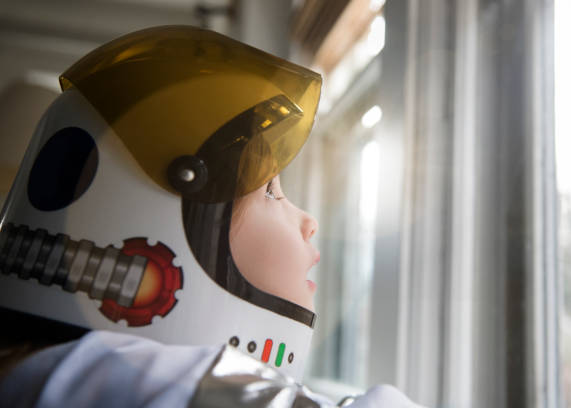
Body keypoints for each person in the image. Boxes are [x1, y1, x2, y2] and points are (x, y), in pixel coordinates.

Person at [0, 26, 424, 407]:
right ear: (157, 228)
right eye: (271, 193)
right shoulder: (138, 380)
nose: (309, 220)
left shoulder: (45, 368)